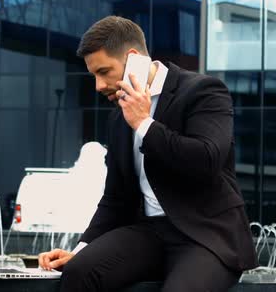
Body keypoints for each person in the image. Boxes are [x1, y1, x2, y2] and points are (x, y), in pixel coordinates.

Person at [38, 16, 257, 292]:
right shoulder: (119, 118)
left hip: (207, 235)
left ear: (133, 58)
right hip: (150, 233)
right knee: (79, 272)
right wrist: (82, 249)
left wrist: (144, 124)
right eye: (94, 75)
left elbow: (207, 159)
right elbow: (115, 198)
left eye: (104, 71)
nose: (98, 85)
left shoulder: (203, 91)